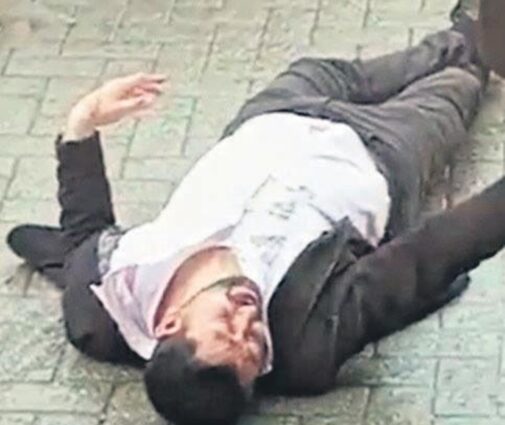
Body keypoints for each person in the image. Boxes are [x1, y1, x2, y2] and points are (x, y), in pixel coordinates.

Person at [6, 5, 503, 425]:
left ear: (168, 324)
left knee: (355, 65)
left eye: (226, 324)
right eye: (256, 343)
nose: (247, 315)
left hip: (275, 114)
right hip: (383, 150)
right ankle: (476, 42)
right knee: (458, 84)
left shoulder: (107, 298)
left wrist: (81, 127)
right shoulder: (306, 343)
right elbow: (426, 257)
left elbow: (84, 236)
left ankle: (464, 34)